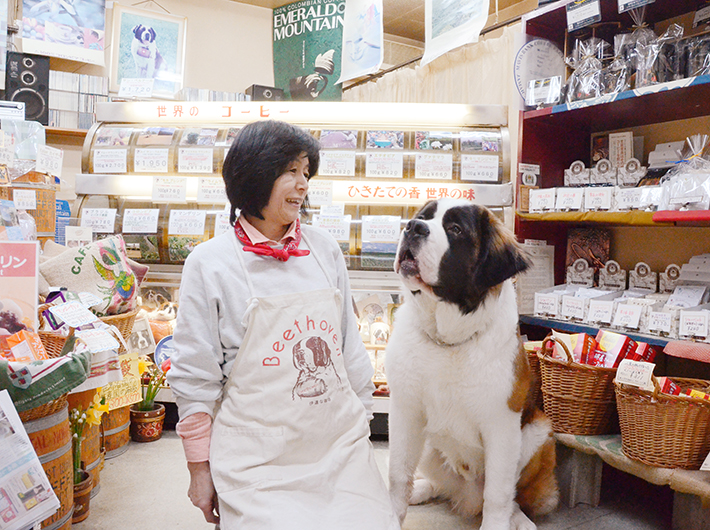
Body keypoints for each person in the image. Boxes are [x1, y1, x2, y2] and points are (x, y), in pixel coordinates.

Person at [168, 120, 400, 529]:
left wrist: (359, 427)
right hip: (256, 459)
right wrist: (199, 471)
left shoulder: (323, 249)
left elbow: (349, 349)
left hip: (338, 449)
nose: (302, 184)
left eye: (306, 172)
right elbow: (194, 377)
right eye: (290, 171)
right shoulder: (209, 263)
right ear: (254, 174)